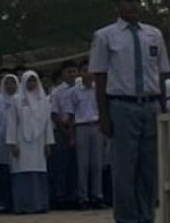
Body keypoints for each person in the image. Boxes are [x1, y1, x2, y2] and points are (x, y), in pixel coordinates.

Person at [89, 0, 170, 223]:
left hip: (149, 105)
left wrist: (162, 108)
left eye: (137, 1)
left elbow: (161, 75)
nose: (134, 6)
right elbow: (99, 78)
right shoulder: (106, 36)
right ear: (117, 5)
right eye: (128, 1)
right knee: (125, 171)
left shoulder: (153, 35)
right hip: (122, 106)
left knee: (149, 171)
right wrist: (103, 115)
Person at [6, 71, 55, 214]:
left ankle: (39, 205)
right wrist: (13, 143)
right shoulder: (16, 100)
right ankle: (23, 206)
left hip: (39, 143)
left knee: (38, 171)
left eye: (34, 81)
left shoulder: (43, 100)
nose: (32, 84)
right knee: (22, 172)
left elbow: (47, 124)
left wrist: (48, 143)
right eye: (29, 81)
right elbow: (12, 123)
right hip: (21, 142)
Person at [71, 65, 105, 210]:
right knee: (82, 164)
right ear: (80, 73)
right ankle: (83, 197)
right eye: (85, 70)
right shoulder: (74, 91)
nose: (88, 73)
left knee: (97, 163)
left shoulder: (99, 88)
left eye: (90, 70)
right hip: (81, 126)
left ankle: (97, 195)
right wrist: (72, 136)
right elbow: (71, 114)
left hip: (96, 126)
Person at [49, 62, 79, 210]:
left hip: (80, 127)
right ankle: (60, 196)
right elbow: (54, 114)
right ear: (62, 74)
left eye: (74, 71)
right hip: (62, 130)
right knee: (61, 165)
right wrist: (66, 132)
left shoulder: (80, 88)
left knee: (77, 165)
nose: (72, 74)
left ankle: (74, 195)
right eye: (69, 71)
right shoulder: (57, 92)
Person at [0, 76, 18, 213]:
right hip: (0, 142)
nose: (10, 86)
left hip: (17, 142)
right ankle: (0, 202)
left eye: (13, 83)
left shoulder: (20, 100)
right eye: (7, 83)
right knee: (1, 173)